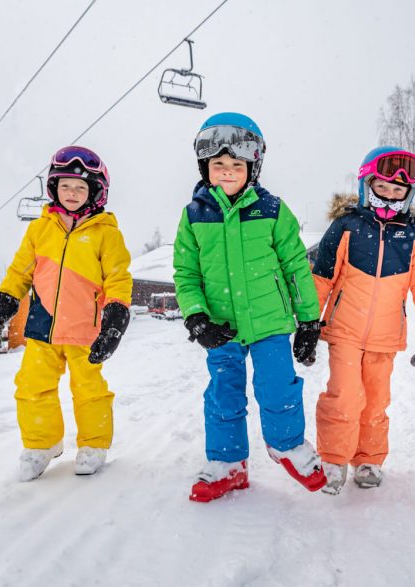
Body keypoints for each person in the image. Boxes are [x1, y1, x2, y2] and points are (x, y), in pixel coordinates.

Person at [173, 112, 326, 502]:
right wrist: (196, 316)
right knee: (223, 394)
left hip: (269, 323)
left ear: (252, 169)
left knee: (278, 386)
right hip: (219, 326)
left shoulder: (272, 210)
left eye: (236, 165)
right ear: (205, 168)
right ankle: (229, 464)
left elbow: (296, 267)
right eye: (218, 164)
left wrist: (309, 320)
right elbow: (186, 274)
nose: (227, 171)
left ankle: (287, 446)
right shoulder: (194, 216)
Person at [0, 145, 132, 481]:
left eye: (80, 187)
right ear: (54, 188)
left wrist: (115, 318)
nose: (72, 192)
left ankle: (93, 444)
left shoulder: (106, 234)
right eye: (65, 185)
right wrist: (0, 309)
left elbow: (118, 278)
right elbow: (20, 273)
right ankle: (42, 444)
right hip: (43, 326)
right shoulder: (39, 230)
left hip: (85, 329)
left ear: (95, 192)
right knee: (31, 386)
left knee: (89, 389)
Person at [312, 146, 415, 495]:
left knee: (375, 401)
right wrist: (308, 323)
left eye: (397, 189)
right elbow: (322, 278)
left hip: (385, 336)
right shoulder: (347, 225)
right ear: (366, 185)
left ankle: (368, 459)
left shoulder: (413, 233)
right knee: (344, 396)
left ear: (408, 192)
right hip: (344, 330)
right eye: (382, 186)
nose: (389, 194)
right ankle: (333, 460)